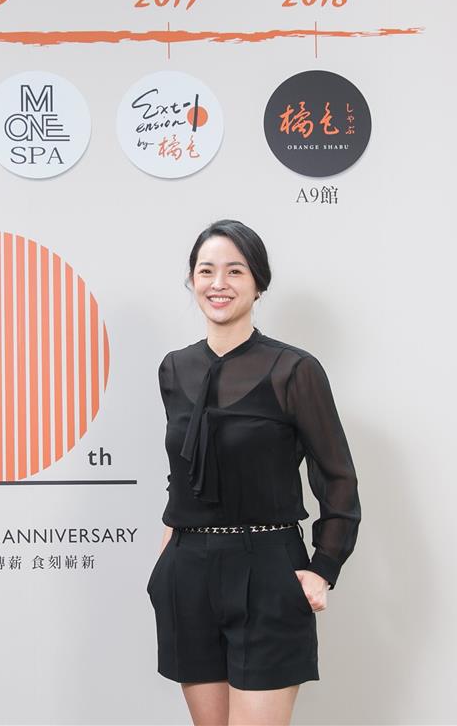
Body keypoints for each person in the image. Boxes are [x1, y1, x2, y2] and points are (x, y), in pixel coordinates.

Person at [148, 220, 360, 725]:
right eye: (206, 271)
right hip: (188, 572)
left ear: (258, 283)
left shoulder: (293, 370)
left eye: (234, 271)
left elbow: (338, 477)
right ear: (192, 280)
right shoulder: (174, 369)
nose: (218, 283)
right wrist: (167, 561)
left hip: (267, 567)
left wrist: (324, 567)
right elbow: (185, 472)